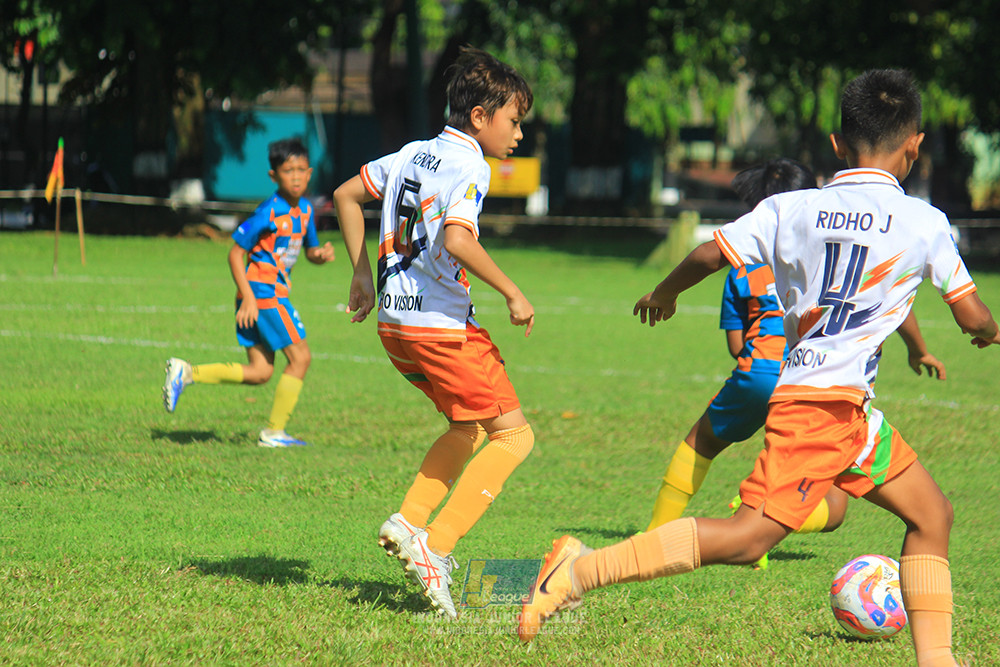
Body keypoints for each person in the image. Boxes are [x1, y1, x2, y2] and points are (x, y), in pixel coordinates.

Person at [520, 69, 999, 667]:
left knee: (933, 514)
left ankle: (938, 661)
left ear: (837, 145)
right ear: (914, 146)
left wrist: (664, 294)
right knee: (750, 540)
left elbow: (706, 252)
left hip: (847, 409)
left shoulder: (790, 207)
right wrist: (989, 333)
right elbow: (974, 316)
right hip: (820, 407)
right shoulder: (925, 223)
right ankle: (577, 571)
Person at [645, 159, 946, 573]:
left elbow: (736, 344)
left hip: (762, 375)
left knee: (701, 442)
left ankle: (655, 535)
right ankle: (754, 521)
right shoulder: (834, 249)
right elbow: (889, 302)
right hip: (823, 383)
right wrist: (919, 350)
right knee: (835, 504)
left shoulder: (742, 263)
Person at [333, 47, 535, 619]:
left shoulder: (409, 154)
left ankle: (409, 523)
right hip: (441, 328)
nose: (518, 134)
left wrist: (361, 272)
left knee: (467, 427)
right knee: (515, 437)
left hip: (395, 325)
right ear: (480, 117)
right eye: (514, 121)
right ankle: (434, 544)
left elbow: (345, 195)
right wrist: (512, 291)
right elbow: (457, 240)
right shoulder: (472, 165)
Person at [162, 138, 336, 448]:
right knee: (301, 358)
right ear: (273, 176)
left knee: (260, 372)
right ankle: (274, 433)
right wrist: (249, 297)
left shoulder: (306, 210)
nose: (295, 176)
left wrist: (319, 255)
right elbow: (234, 254)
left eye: (300, 170)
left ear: (309, 173)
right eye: (287, 171)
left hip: (262, 295)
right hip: (263, 294)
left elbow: (308, 251)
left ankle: (186, 373)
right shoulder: (268, 212)